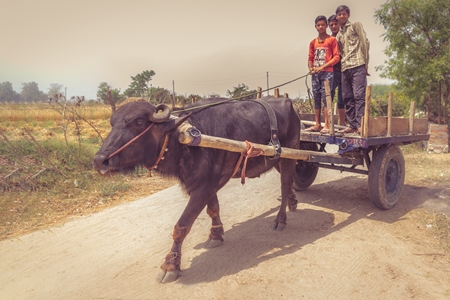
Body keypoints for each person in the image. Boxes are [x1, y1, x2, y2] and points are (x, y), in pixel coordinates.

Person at [335, 5, 370, 135]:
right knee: (347, 97)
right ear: (337, 17)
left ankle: (361, 124)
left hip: (358, 65)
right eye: (339, 14)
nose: (342, 16)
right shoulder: (339, 34)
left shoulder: (355, 25)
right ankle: (353, 125)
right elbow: (340, 53)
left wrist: (365, 64)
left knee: (359, 95)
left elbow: (365, 43)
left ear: (348, 15)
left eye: (344, 14)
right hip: (345, 67)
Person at [306, 15, 340, 134]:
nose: (320, 27)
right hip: (315, 74)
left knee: (326, 98)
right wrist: (311, 68)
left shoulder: (332, 40)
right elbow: (310, 58)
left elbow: (336, 57)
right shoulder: (313, 42)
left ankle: (326, 124)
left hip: (328, 73)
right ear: (315, 27)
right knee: (316, 97)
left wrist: (323, 67)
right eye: (318, 25)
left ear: (326, 26)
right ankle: (317, 124)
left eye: (323, 25)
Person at [328, 14, 346, 126]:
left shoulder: (344, 37)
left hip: (343, 70)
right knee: (329, 94)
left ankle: (342, 123)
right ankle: (328, 122)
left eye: (335, 24)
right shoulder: (329, 40)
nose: (334, 26)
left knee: (342, 97)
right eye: (331, 25)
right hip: (331, 71)